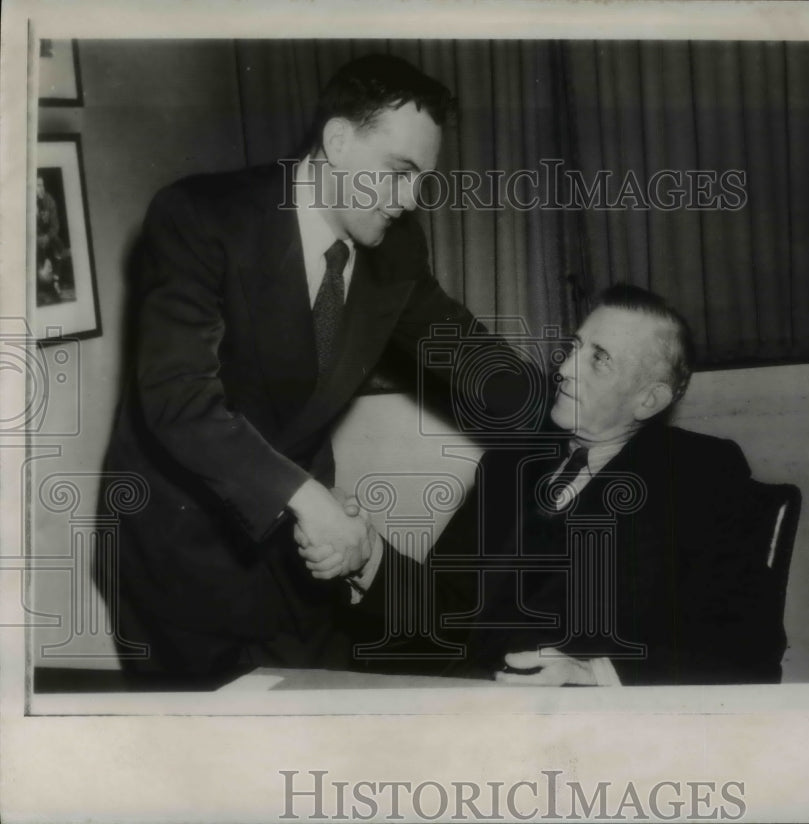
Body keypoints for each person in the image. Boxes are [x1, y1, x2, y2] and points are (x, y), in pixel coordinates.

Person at [98, 54, 529, 682]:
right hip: (181, 552)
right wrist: (307, 500)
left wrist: (580, 415)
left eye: (421, 180)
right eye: (398, 172)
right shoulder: (202, 218)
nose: (410, 200)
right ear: (336, 141)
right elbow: (179, 400)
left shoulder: (395, 246)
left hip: (301, 548)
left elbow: (461, 346)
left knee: (323, 708)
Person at [341, 284, 789, 686]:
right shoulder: (508, 464)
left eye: (599, 359)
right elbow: (448, 608)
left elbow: (750, 653)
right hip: (470, 707)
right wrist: (367, 558)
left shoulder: (700, 475)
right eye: (574, 347)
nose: (565, 368)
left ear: (649, 399)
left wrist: (592, 674)